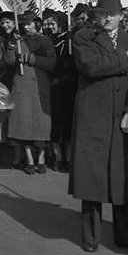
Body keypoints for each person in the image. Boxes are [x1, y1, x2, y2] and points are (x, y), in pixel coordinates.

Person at [69, 0, 128, 254]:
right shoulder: (83, 37)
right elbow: (92, 66)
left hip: (122, 117)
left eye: (112, 14)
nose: (106, 19)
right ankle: (91, 236)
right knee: (92, 180)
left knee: (121, 178)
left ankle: (126, 235)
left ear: (122, 15)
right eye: (102, 15)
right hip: (93, 117)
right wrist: (127, 59)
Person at [5, 12, 56, 174]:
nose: (26, 27)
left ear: (37, 24)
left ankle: (41, 159)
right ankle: (30, 160)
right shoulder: (18, 41)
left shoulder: (45, 41)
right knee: (24, 123)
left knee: (41, 124)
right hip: (22, 86)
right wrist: (11, 47)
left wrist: (30, 59)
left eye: (29, 23)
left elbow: (51, 63)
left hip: (40, 86)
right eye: (24, 24)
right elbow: (10, 61)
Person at [45, 11, 75, 172]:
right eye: (47, 23)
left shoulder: (69, 40)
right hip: (52, 88)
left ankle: (68, 159)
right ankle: (57, 157)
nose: (49, 26)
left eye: (52, 23)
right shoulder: (48, 40)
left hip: (67, 88)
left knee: (67, 125)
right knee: (54, 126)